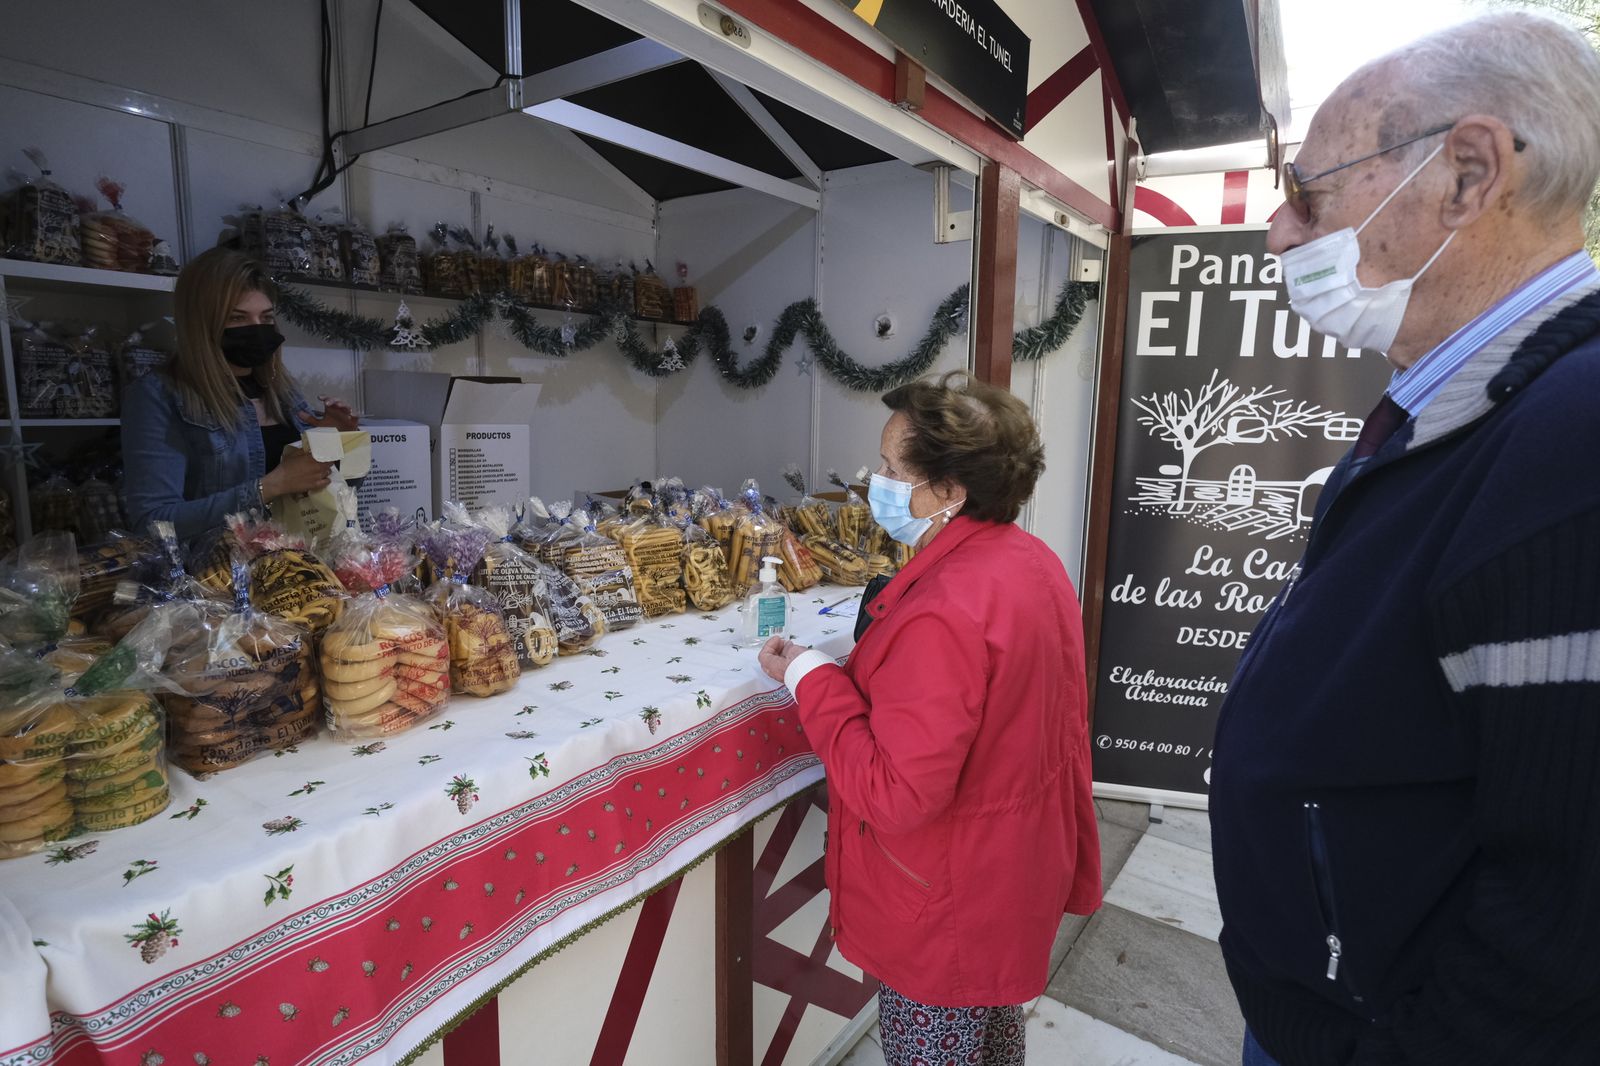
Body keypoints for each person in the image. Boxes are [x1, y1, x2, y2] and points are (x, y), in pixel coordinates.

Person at [1209, 13, 1600, 1066]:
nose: (1278, 233)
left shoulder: (1574, 446)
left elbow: (1565, 925)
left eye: (1307, 192)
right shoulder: (1467, 410)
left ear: (1467, 175)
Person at [759, 372, 1101, 1066]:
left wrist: (809, 677)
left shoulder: (945, 608)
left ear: (949, 491)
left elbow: (896, 792)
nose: (876, 484)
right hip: (1008, 869)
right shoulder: (1032, 561)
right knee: (993, 1034)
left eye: (892, 470)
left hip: (948, 895)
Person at [121, 247, 358, 546]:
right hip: (215, 570)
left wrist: (341, 445)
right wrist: (269, 486)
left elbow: (339, 494)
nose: (257, 330)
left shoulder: (283, 392)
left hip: (296, 565)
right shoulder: (159, 396)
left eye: (266, 318)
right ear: (202, 324)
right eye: (237, 318)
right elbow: (152, 523)